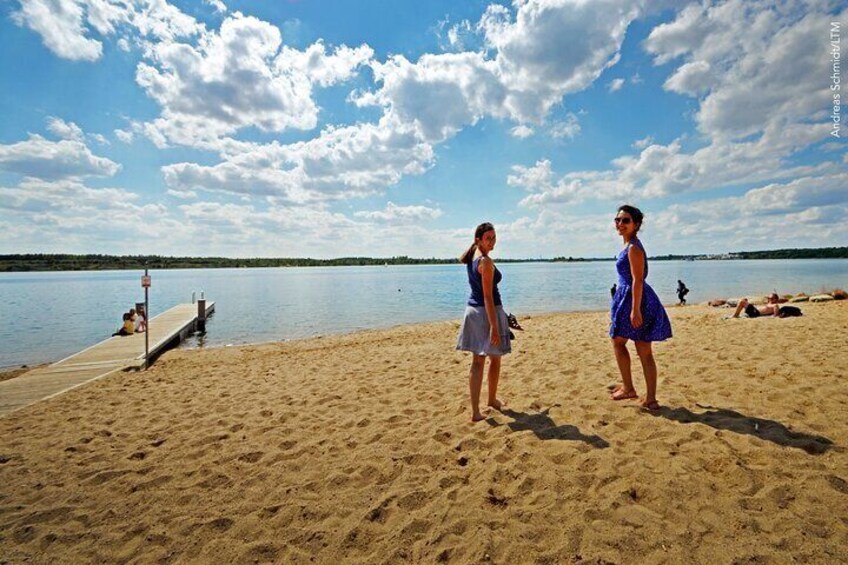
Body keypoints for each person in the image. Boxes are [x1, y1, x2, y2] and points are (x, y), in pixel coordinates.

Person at [609, 205, 672, 411]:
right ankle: (635, 390)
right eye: (618, 220)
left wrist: (635, 310)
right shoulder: (630, 245)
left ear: (636, 224)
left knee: (634, 347)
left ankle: (641, 394)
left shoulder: (634, 248)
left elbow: (637, 281)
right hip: (629, 298)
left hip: (636, 299)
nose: (620, 224)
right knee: (629, 344)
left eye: (625, 220)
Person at [456, 222, 512, 422]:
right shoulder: (485, 262)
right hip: (485, 312)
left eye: (494, 237)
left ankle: (488, 402)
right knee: (490, 359)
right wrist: (495, 327)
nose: (492, 241)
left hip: (473, 311)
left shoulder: (472, 256)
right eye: (488, 238)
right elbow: (488, 296)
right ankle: (479, 409)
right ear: (478, 239)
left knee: (480, 360)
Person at [731, 293, 801, 318]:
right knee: (744, 299)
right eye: (769, 298)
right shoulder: (771, 303)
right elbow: (782, 300)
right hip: (755, 310)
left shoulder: (775, 305)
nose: (770, 299)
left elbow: (776, 309)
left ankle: (735, 315)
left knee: (741, 301)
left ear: (775, 299)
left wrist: (774, 315)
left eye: (771, 298)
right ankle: (736, 314)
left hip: (755, 313)